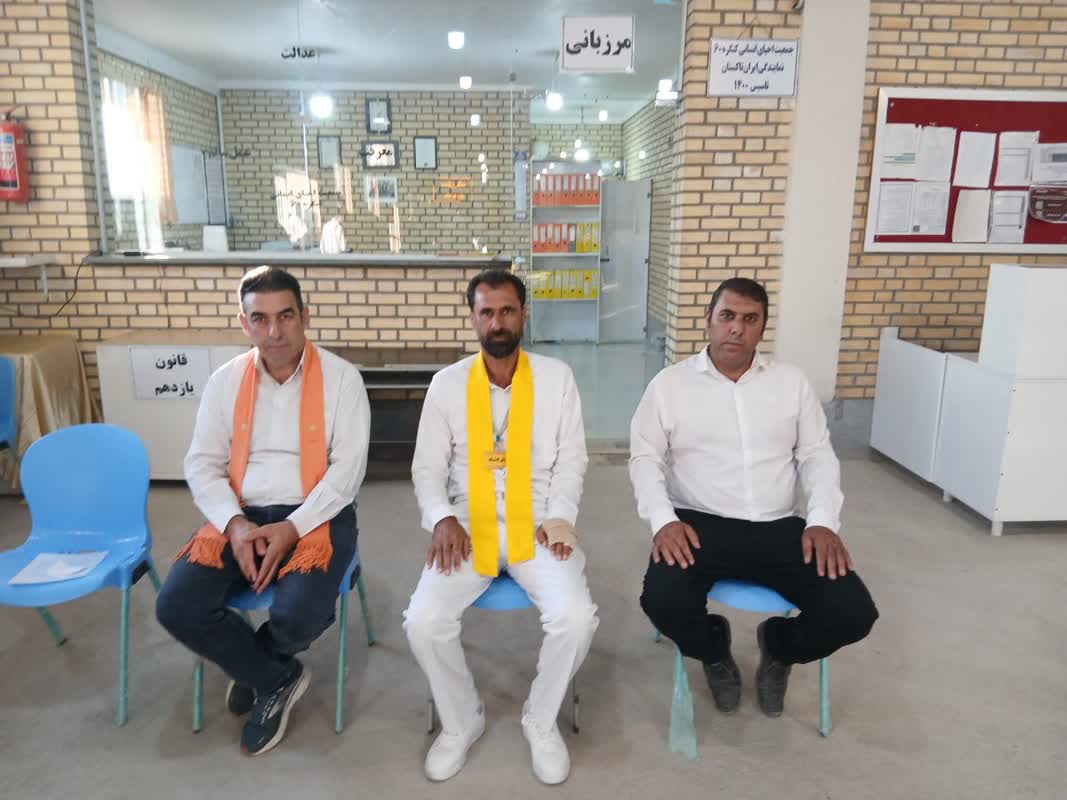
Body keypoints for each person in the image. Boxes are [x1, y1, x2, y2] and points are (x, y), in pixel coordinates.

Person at [630, 277, 878, 720]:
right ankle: (714, 650)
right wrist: (663, 520)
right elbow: (645, 458)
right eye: (727, 316)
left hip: (778, 526)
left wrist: (822, 521)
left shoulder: (790, 383)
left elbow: (817, 455)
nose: (736, 329)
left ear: (762, 327)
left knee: (853, 613)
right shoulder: (669, 385)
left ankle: (779, 647)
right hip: (698, 524)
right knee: (661, 601)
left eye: (750, 319)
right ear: (708, 320)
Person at [156, 265, 371, 755]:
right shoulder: (225, 381)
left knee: (299, 613)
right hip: (241, 512)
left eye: (286, 316)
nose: (275, 332)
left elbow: (347, 471)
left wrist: (292, 527)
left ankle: (252, 665)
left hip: (317, 514)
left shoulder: (342, 380)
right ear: (244, 323)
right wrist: (235, 525)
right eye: (260, 319)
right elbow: (202, 463)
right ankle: (275, 677)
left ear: (305, 316)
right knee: (176, 605)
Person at [403, 268, 598, 785]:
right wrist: (442, 517)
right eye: (486, 312)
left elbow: (572, 461)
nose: (497, 322)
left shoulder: (557, 379)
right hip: (468, 525)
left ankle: (540, 719)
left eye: (507, 310)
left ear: (524, 314)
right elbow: (426, 469)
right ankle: (461, 721)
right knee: (423, 620)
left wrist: (561, 517)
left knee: (576, 618)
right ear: (473, 318)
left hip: (539, 523)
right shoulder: (447, 385)